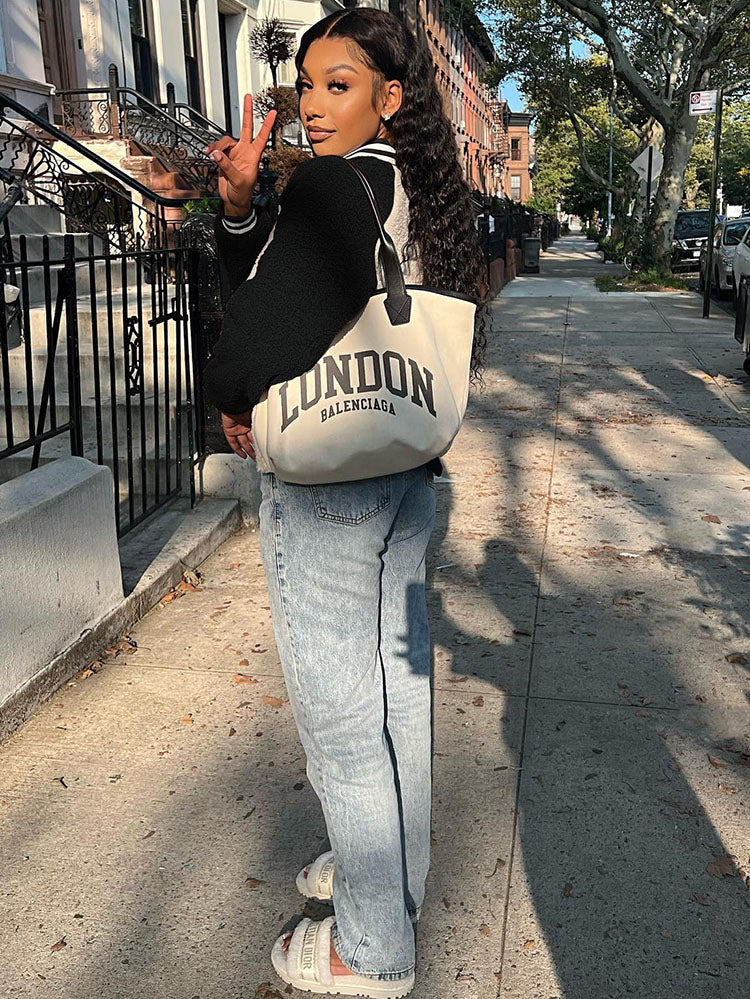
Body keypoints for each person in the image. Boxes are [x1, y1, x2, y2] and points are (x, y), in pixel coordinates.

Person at [202, 8, 488, 995]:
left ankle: (371, 949)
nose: (313, 107)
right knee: (396, 705)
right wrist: (243, 210)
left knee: (343, 726)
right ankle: (388, 881)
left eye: (339, 85)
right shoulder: (415, 185)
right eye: (307, 85)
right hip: (402, 469)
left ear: (389, 96)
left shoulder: (334, 185)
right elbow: (292, 295)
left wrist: (230, 396)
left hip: (327, 487)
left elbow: (258, 334)